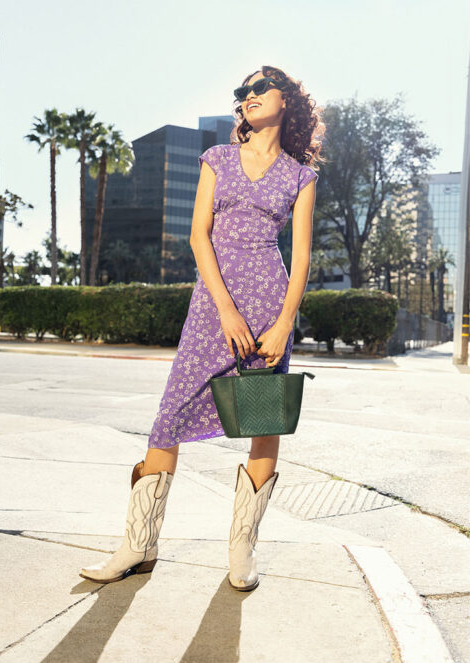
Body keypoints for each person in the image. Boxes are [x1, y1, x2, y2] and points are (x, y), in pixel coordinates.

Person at [80, 65, 323, 592]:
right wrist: (226, 310)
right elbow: (198, 237)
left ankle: (241, 552)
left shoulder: (300, 175)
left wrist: (283, 323)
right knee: (169, 417)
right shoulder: (217, 158)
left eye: (261, 87)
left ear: (287, 99)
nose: (250, 96)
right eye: (244, 92)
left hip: (269, 304)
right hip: (214, 305)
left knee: (263, 424)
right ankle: (138, 545)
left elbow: (300, 258)